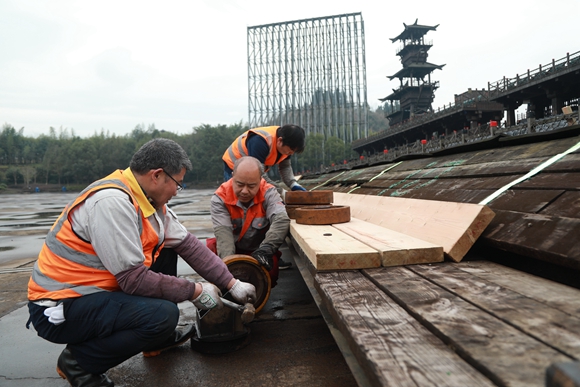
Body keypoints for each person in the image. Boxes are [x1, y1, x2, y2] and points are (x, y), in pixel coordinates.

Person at [26, 138, 256, 387]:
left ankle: (158, 340)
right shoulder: (111, 203)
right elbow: (133, 279)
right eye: (177, 184)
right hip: (61, 306)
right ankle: (80, 363)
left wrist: (231, 282)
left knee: (166, 250)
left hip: (94, 293)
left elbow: (187, 245)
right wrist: (195, 290)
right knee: (161, 315)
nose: (176, 192)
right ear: (157, 175)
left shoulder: (148, 201)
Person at [208, 156, 291, 280]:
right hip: (233, 247)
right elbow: (224, 238)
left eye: (252, 186)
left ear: (260, 180)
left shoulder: (269, 192)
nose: (245, 191)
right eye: (240, 184)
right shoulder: (220, 198)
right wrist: (230, 271)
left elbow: (281, 219)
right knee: (214, 268)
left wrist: (266, 249)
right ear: (232, 176)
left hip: (258, 249)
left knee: (270, 272)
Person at [222, 125, 307, 192]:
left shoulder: (286, 144)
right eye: (291, 150)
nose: (291, 153)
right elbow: (259, 175)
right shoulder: (260, 141)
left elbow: (285, 167)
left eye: (294, 151)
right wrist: (281, 192)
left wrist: (293, 184)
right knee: (239, 197)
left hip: (253, 169)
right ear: (280, 140)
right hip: (233, 165)